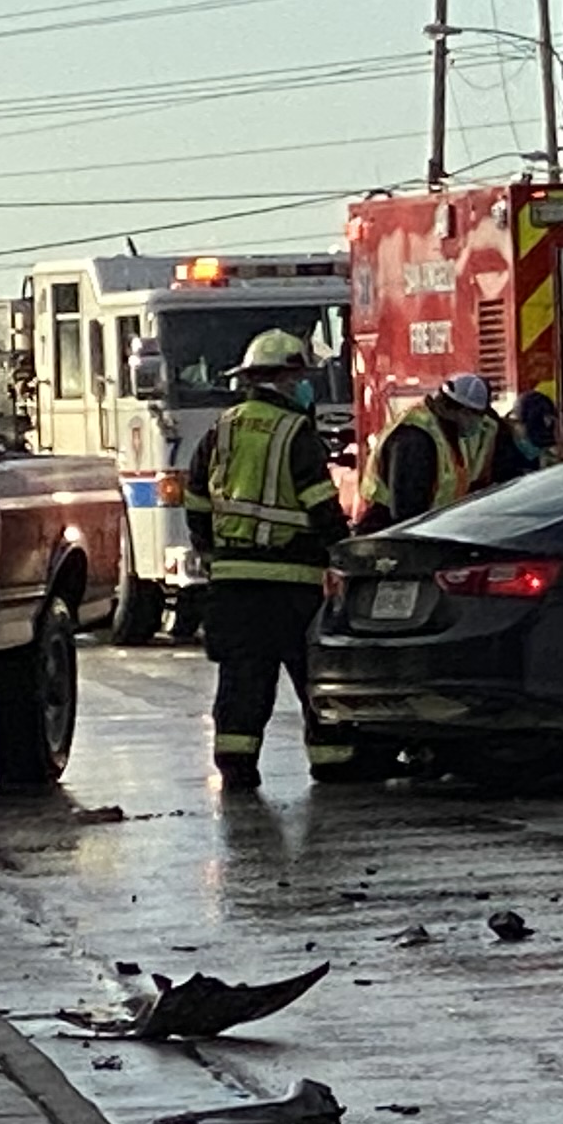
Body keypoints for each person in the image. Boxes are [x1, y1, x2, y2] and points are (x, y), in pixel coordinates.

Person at [183, 329, 358, 793]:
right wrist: (341, 552)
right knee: (313, 674)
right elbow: (319, 501)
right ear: (284, 378)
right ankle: (332, 761)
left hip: (234, 582)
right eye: (300, 376)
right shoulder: (295, 430)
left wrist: (209, 549)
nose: (305, 385)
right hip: (295, 581)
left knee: (243, 679)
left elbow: (196, 497)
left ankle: (237, 768)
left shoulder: (223, 427)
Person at [355, 372, 529, 533]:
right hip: (388, 531)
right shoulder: (415, 439)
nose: (477, 423)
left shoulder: (452, 432)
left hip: (430, 529)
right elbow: (406, 511)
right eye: (473, 415)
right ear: (455, 409)